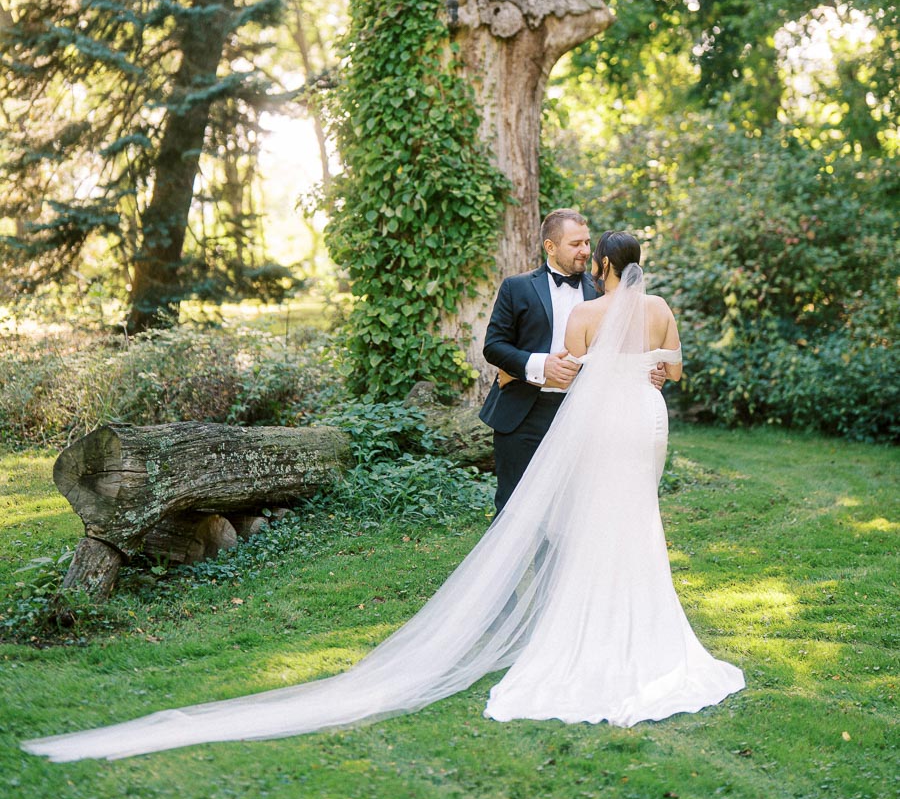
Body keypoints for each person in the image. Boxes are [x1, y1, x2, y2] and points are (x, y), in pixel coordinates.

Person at [22, 231, 744, 763]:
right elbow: (661, 368)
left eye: (595, 250)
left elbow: (582, 374)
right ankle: (624, 626)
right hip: (634, 424)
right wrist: (627, 374)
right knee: (625, 522)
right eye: (576, 242)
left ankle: (576, 627)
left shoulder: (589, 309)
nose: (586, 257)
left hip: (599, 427)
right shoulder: (631, 305)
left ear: (605, 265)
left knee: (597, 524)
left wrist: (590, 376)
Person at [480, 208, 665, 511]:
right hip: (525, 411)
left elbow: (632, 341)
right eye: (575, 244)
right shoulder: (517, 287)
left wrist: (651, 369)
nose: (584, 251)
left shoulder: (605, 291)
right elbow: (494, 346)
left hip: (587, 414)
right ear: (550, 247)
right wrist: (541, 366)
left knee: (574, 510)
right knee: (514, 507)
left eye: (587, 243)